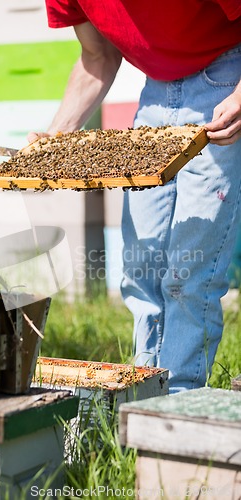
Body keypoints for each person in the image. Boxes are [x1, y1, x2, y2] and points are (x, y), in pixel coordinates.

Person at [30, 1, 241, 393]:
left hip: (225, 76)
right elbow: (98, 54)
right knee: (141, 270)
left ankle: (177, 405)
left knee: (188, 273)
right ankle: (145, 393)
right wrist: (59, 131)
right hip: (155, 95)